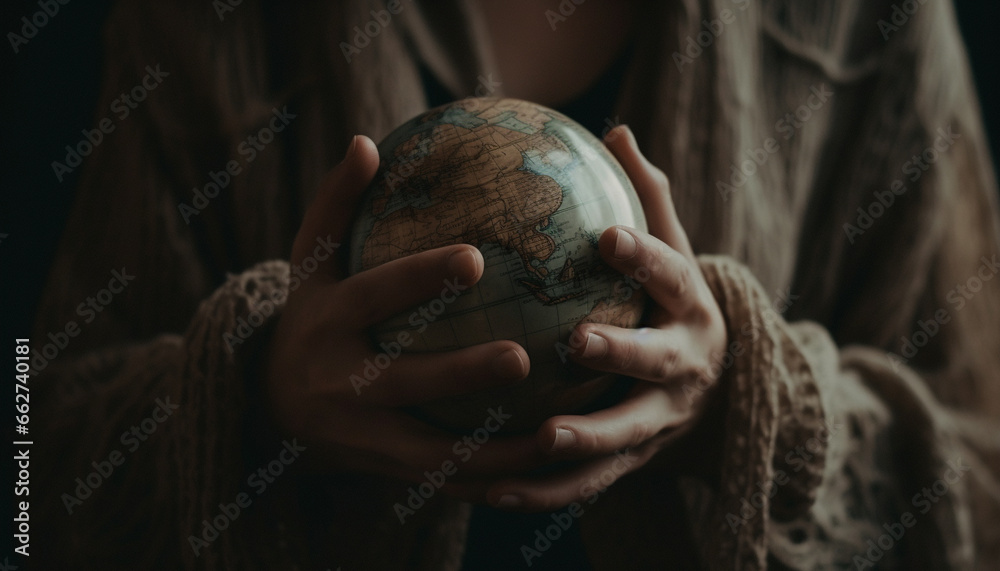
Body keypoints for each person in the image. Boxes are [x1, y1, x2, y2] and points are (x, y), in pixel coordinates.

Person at [31, 0, 1000, 569]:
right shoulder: (207, 25)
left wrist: (753, 412)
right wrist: (250, 403)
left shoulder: (872, 24)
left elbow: (980, 479)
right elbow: (40, 470)